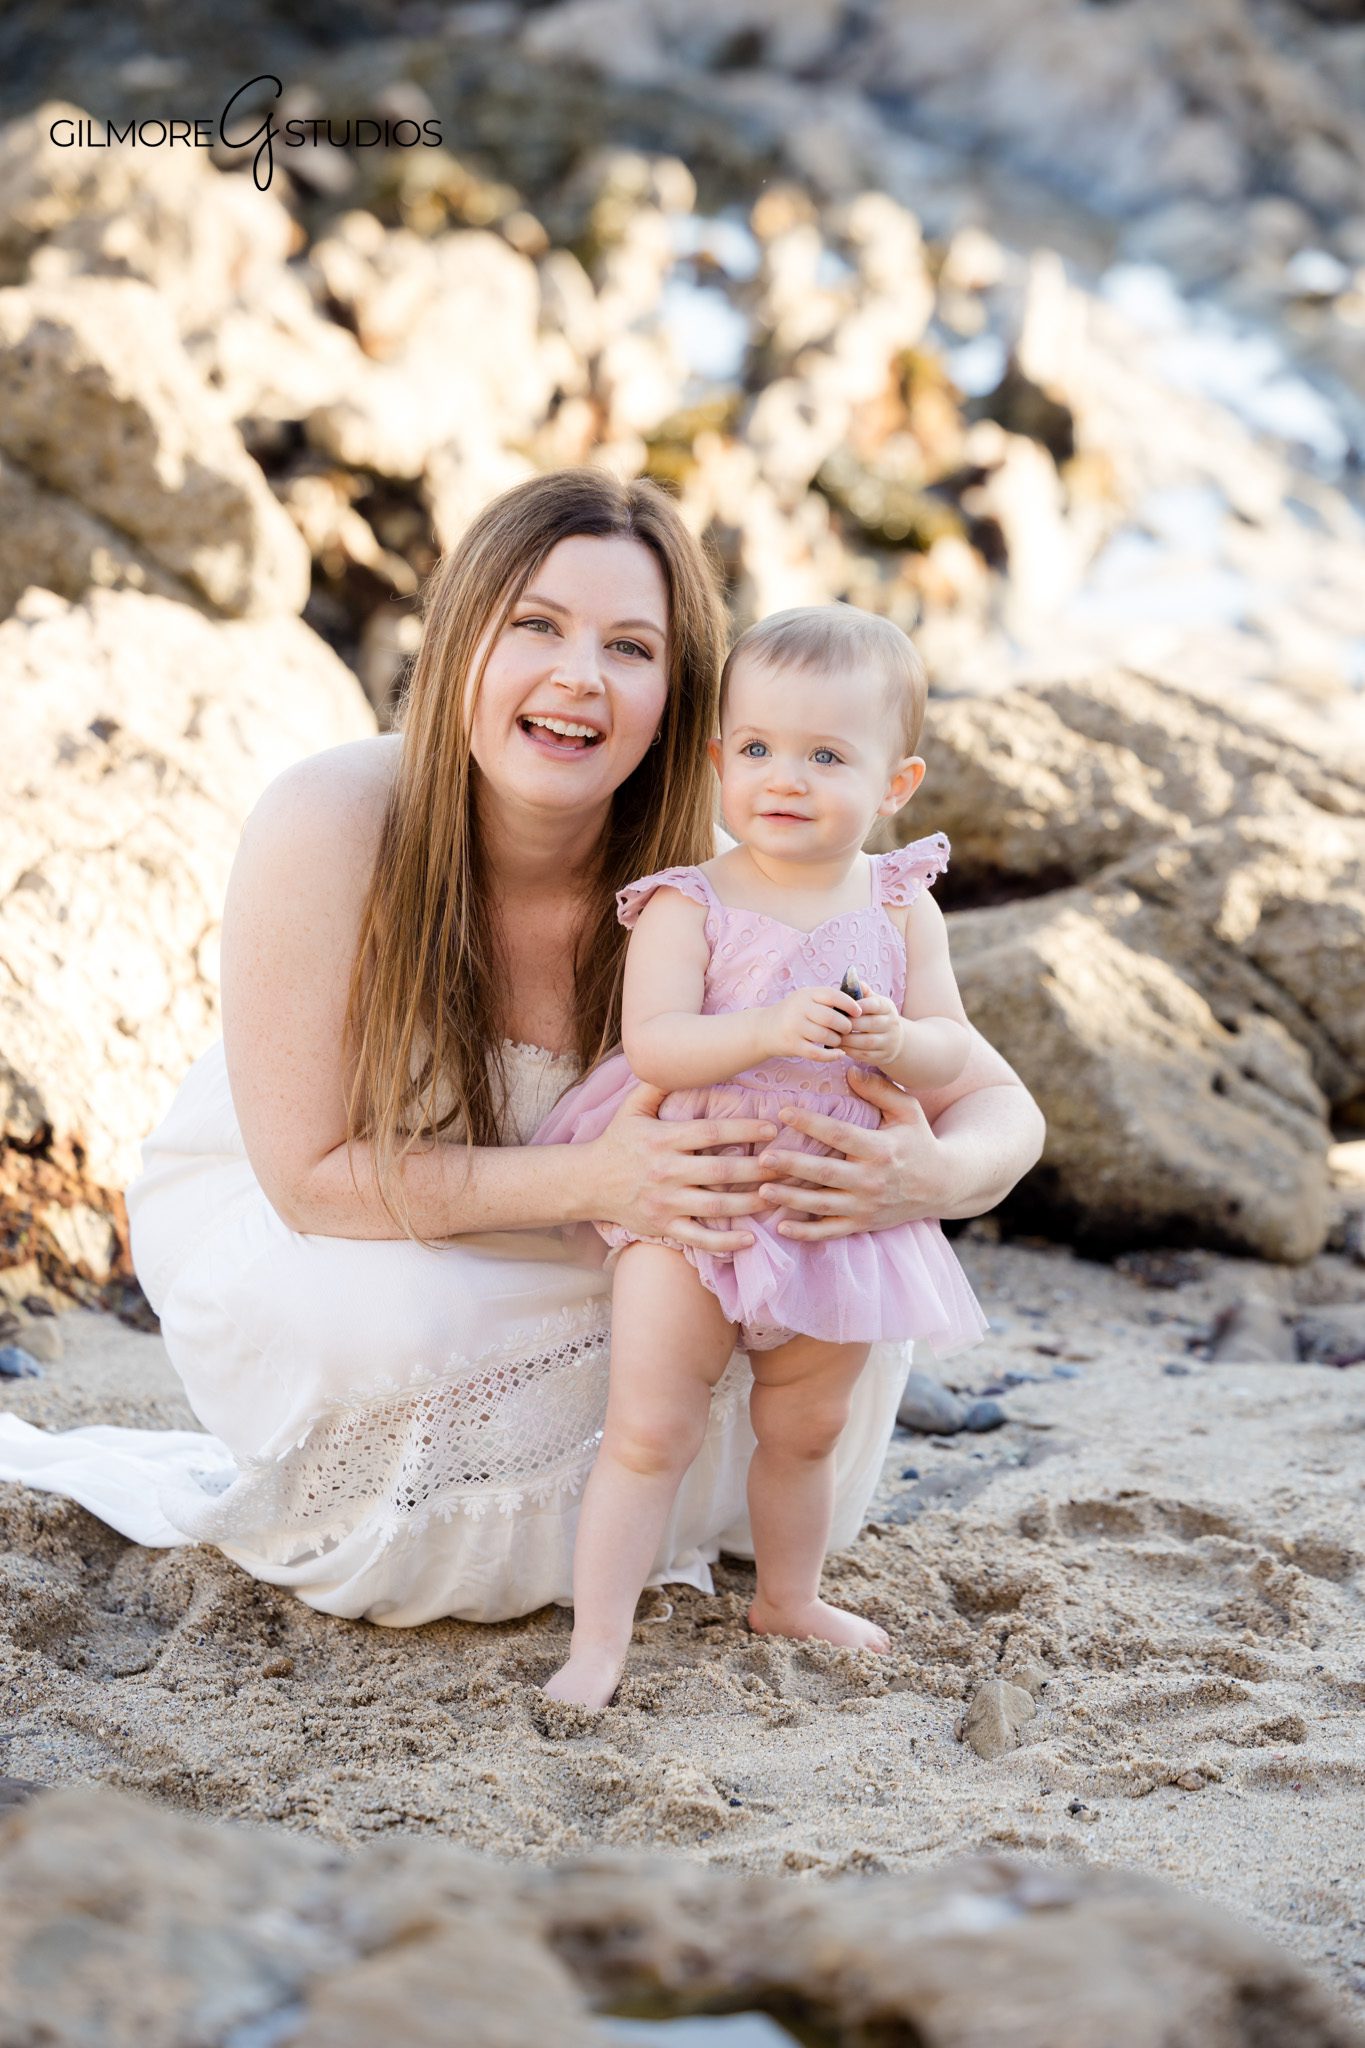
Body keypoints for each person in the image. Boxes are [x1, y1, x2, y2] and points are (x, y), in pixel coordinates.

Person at [0, 470, 1043, 1630]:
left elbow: (1002, 1107)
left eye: (631, 647)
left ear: (677, 702)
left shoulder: (727, 872)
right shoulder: (334, 816)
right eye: (536, 624)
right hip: (358, 1218)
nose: (578, 677)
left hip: (610, 1234)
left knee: (827, 1297)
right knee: (405, 1329)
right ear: (461, 639)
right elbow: (310, 1177)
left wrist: (925, 1178)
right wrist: (600, 1179)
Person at [536, 605, 989, 1707]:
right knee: (650, 1425)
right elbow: (656, 1043)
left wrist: (901, 1040)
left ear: (896, 782)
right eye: (758, 750)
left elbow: (953, 1049)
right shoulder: (688, 902)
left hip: (835, 1203)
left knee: (806, 1423)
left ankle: (788, 1590)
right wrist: (769, 1029)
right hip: (694, 1192)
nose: (785, 777)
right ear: (717, 759)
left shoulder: (898, 905)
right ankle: (599, 1641)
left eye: (826, 755)